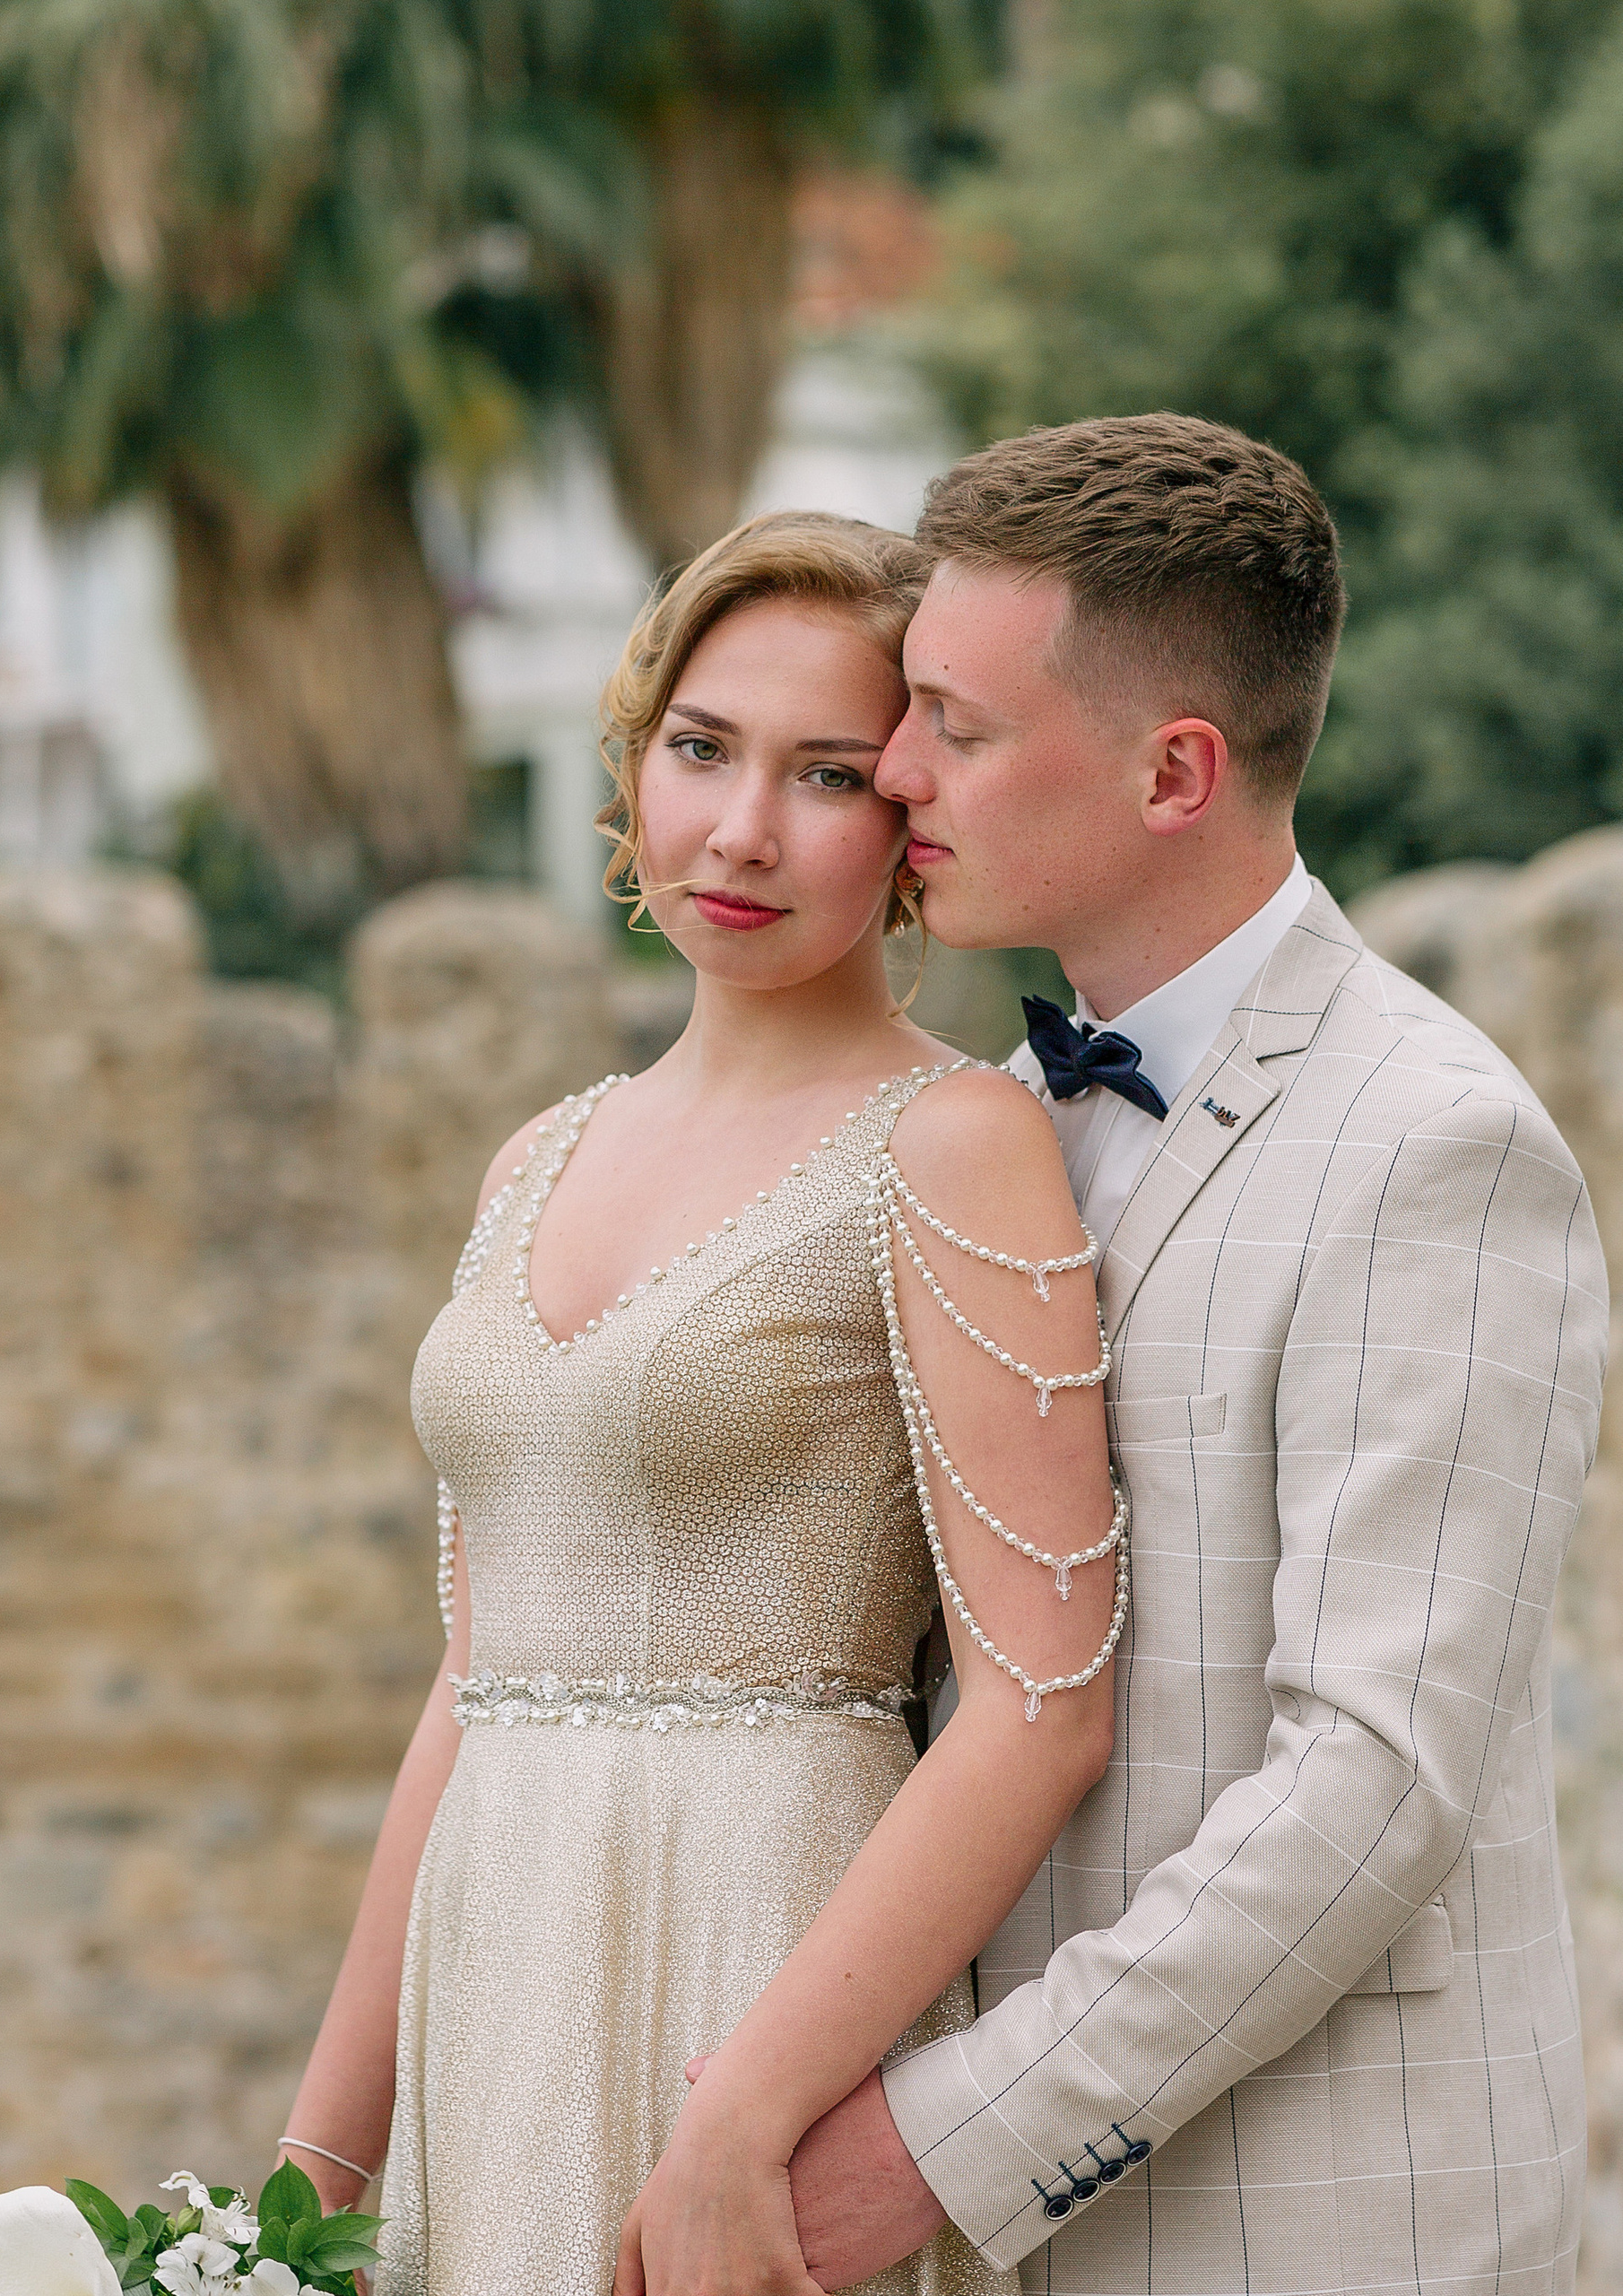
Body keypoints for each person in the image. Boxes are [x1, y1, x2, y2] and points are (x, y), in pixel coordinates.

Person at [779, 414, 1607, 2296]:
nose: (893, 772)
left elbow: (1370, 1782)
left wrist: (939, 2144)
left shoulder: (1436, 1147)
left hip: (1328, 2226)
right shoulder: (988, 1121)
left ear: (1174, 772)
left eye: (956, 727)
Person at [276, 508, 1142, 2296]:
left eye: (826, 775)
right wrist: (306, 2181)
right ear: (633, 762)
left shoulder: (954, 1142)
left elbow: (1041, 1708)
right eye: (699, 749)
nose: (741, 831)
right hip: (490, 1973)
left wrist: (746, 2114)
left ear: (909, 817)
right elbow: (472, 1682)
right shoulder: (536, 1154)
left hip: (756, 1972)